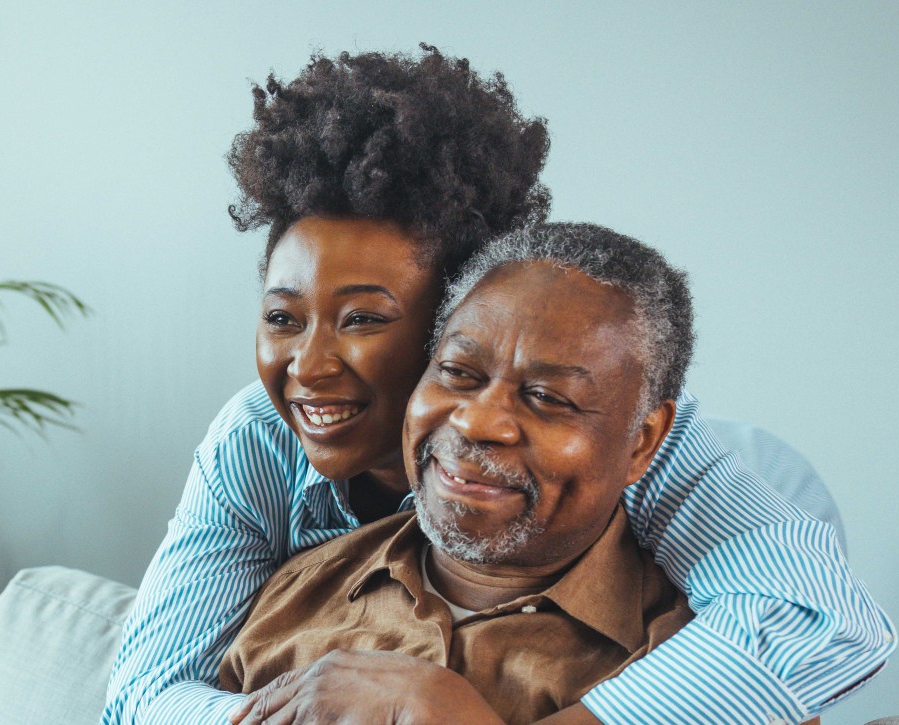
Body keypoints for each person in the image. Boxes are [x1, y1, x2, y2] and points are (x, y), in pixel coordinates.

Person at [104, 46, 892, 725]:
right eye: (283, 317)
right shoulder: (258, 439)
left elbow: (819, 617)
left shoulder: (642, 447)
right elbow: (140, 693)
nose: (308, 366)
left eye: (364, 320)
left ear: (459, 312)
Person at [223, 222, 778, 725]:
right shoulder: (295, 597)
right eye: (458, 373)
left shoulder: (713, 678)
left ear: (643, 440)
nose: (477, 421)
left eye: (547, 397)